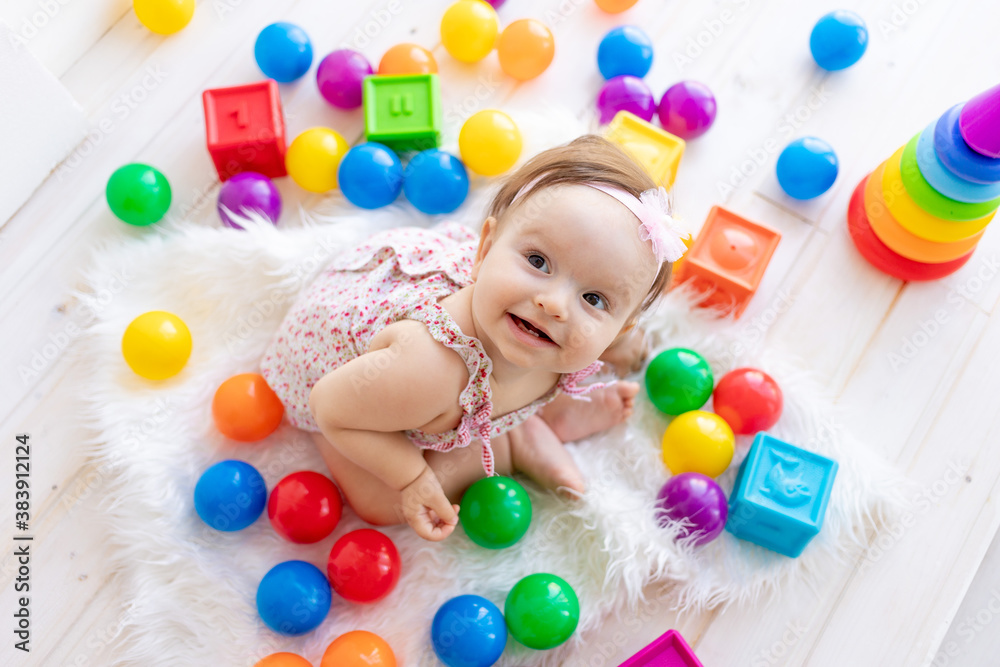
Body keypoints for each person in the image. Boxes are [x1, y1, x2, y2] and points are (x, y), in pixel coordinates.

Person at [259, 135, 687, 541]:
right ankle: (514, 443)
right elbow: (331, 408)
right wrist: (412, 478)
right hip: (339, 384)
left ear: (622, 327)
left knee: (560, 350)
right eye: (538, 261)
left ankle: (533, 419)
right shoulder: (427, 369)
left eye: (594, 298)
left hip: (466, 362)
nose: (554, 303)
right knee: (381, 502)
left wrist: (609, 339)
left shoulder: (538, 328)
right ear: (484, 251)